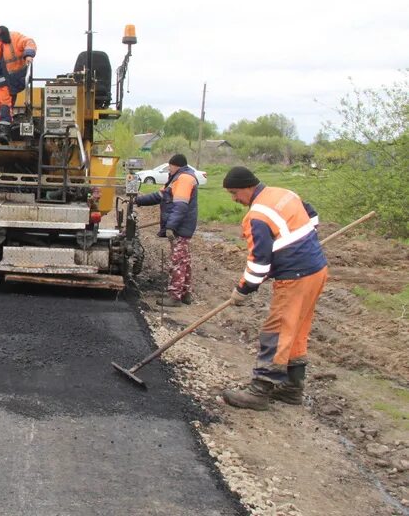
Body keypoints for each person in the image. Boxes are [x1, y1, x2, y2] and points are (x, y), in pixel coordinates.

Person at [219, 166, 328, 410]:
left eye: (235, 193)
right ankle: (291, 388)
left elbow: (259, 262)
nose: (235, 199)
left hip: (296, 276)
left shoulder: (257, 216)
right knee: (297, 330)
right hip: (316, 270)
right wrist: (301, 243)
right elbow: (312, 217)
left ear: (248, 187)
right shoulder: (283, 193)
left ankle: (260, 390)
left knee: (276, 330)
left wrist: (243, 289)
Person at [135, 153, 199, 306]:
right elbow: (160, 195)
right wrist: (138, 200)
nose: (169, 170)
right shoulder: (177, 179)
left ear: (174, 165)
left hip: (180, 226)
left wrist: (171, 226)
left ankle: (175, 297)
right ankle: (185, 293)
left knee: (177, 261)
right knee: (184, 260)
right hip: (182, 225)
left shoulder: (183, 179)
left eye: (169, 167)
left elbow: (180, 206)